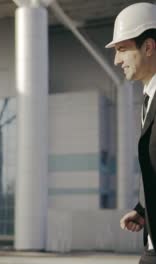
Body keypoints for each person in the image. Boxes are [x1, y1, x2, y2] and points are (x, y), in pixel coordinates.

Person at [107, 2, 156, 263]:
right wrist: (143, 208)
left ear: (148, 47)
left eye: (122, 49)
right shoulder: (149, 98)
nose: (116, 60)